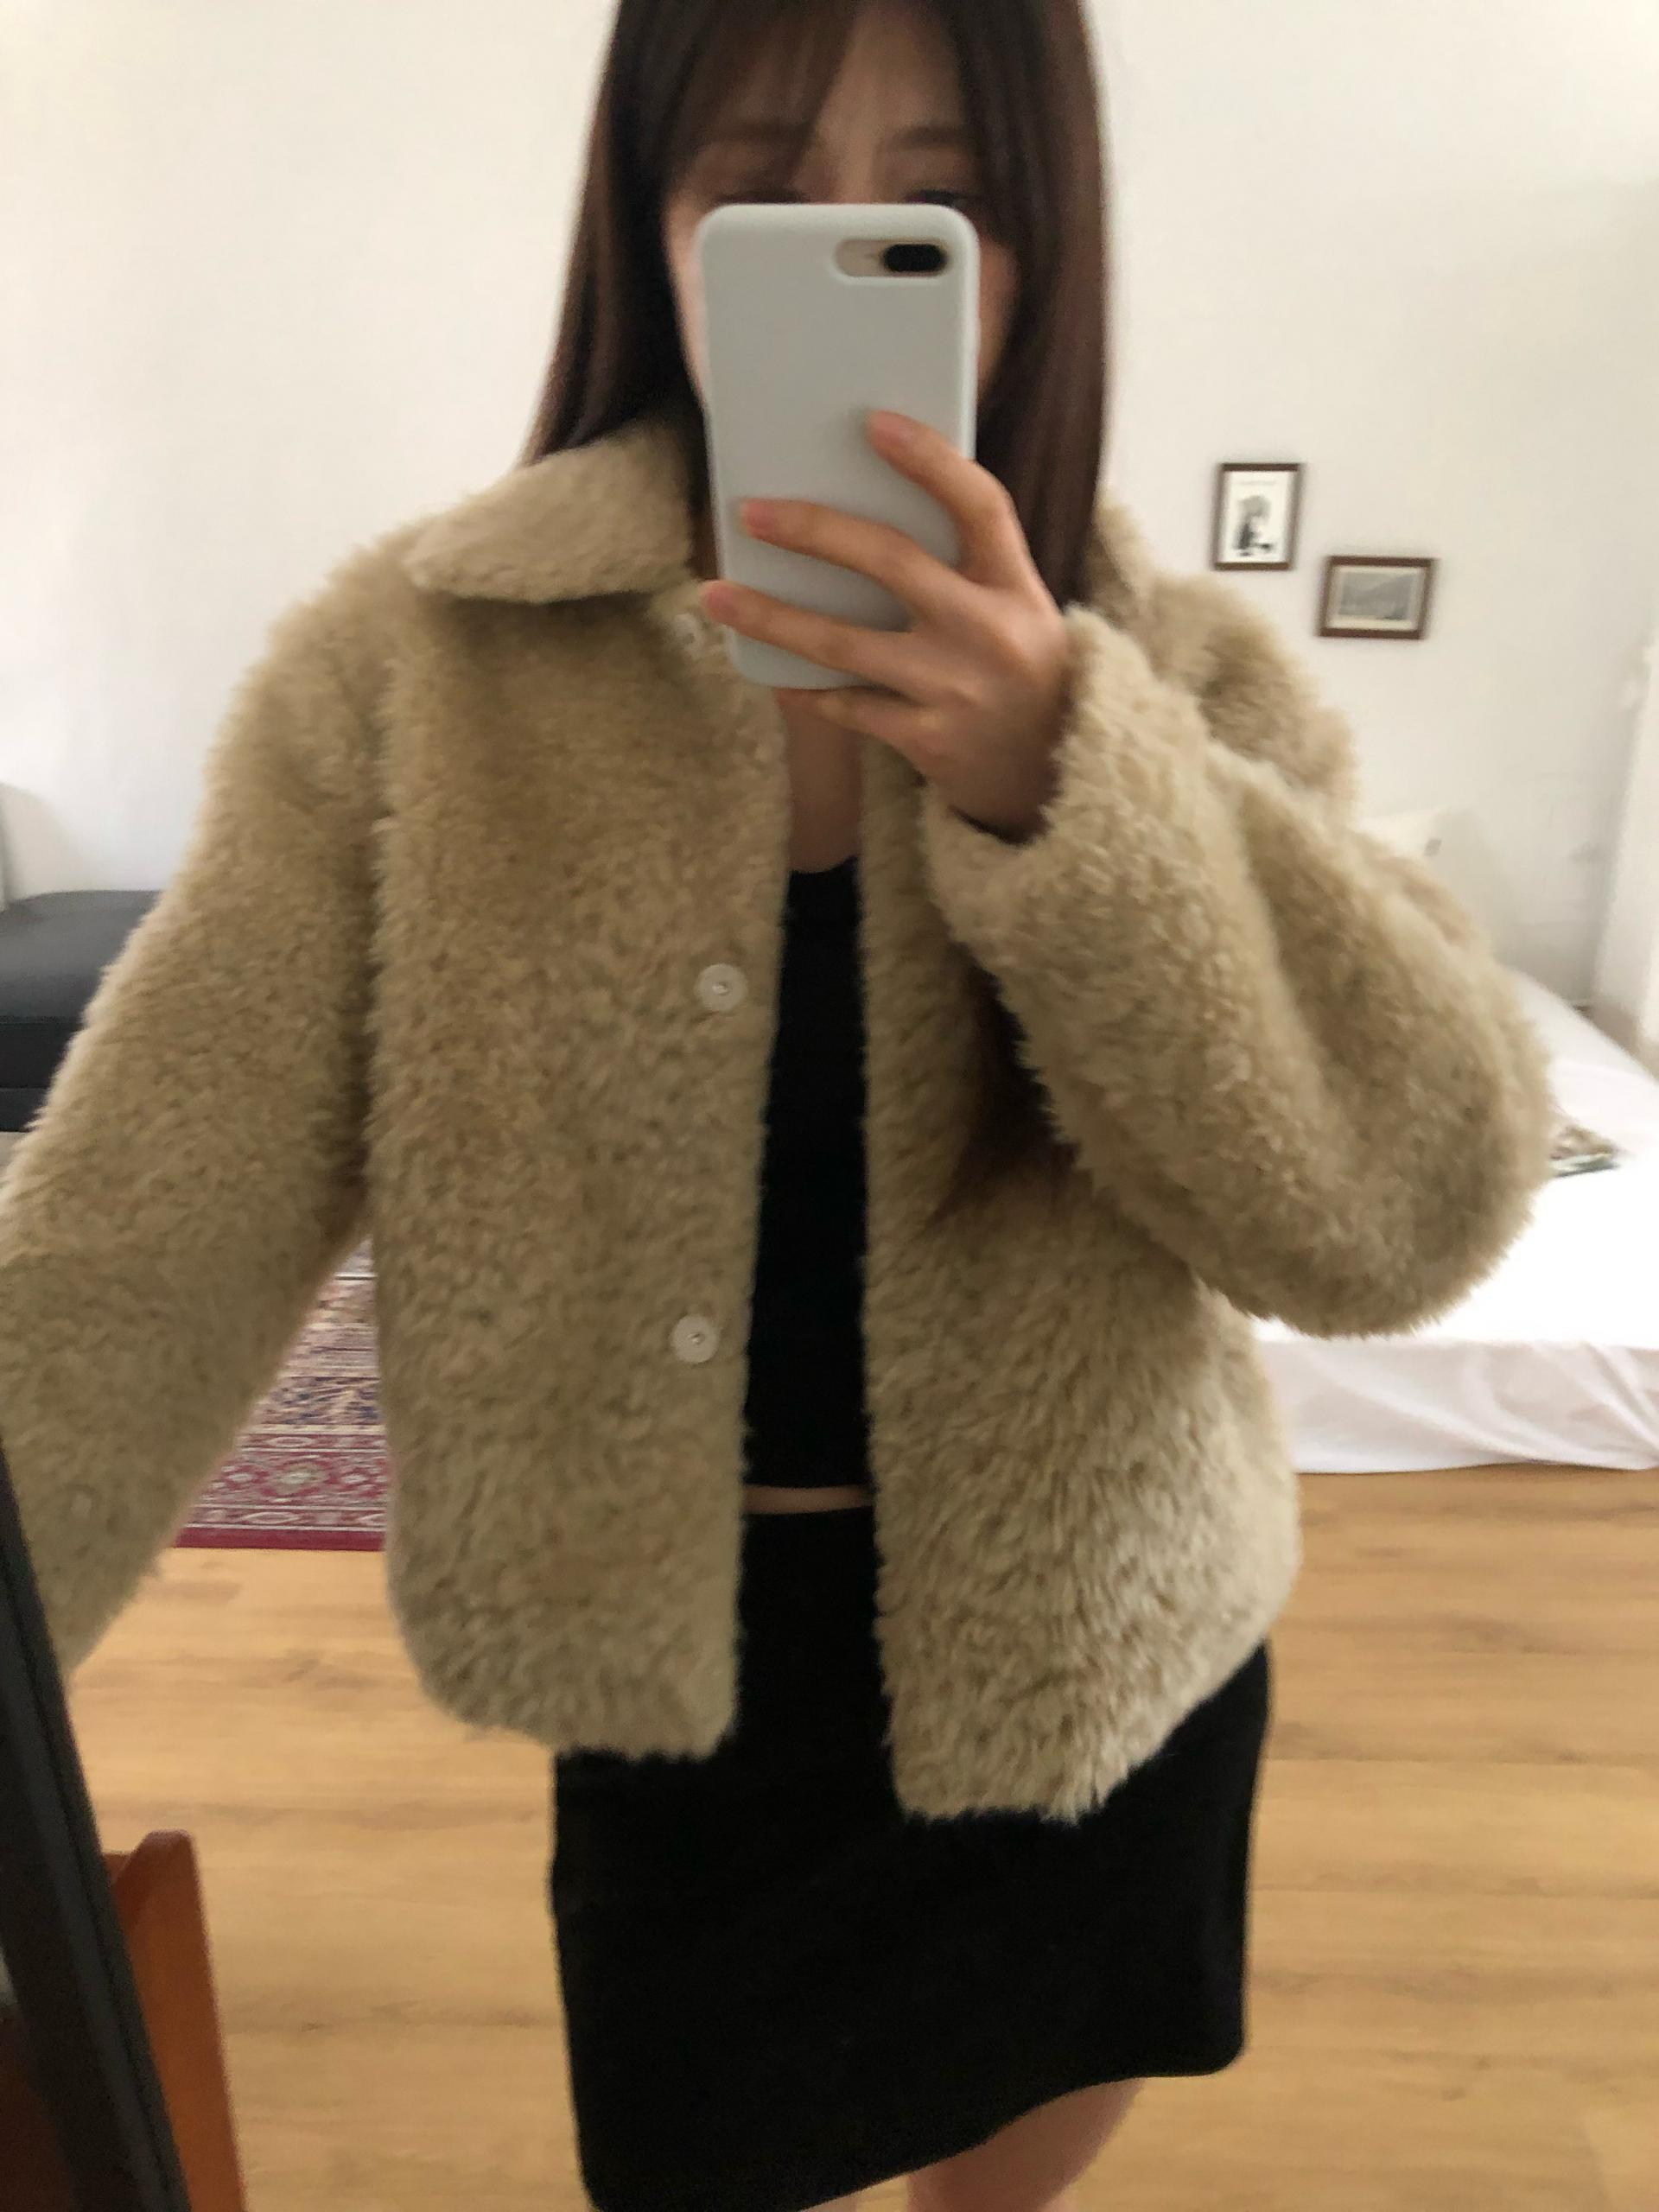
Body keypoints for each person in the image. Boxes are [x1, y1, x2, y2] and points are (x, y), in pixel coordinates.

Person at [0, 2, 1556, 2209]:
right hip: (686, 1679)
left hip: (1096, 1656)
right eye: (757, 180)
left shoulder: (1181, 678)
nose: (844, 235)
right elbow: (146, 1218)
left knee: (1021, 2136)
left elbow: (1405, 1210)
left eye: (940, 197)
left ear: (1040, 245)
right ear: (651, 228)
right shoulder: (423, 673)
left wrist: (1070, 780)